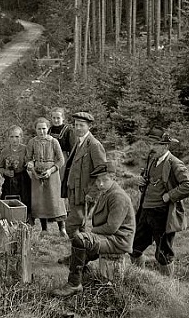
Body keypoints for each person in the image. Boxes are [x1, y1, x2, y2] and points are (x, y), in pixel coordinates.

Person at [51, 161, 136, 297]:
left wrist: (91, 233)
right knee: (82, 242)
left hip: (118, 240)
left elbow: (111, 228)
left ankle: (74, 284)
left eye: (105, 180)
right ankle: (82, 270)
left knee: (80, 239)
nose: (100, 184)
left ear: (114, 179)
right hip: (111, 237)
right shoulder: (107, 192)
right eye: (98, 180)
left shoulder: (118, 196)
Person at [129, 127, 189, 277]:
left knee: (163, 253)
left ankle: (167, 289)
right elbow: (150, 180)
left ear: (165, 146)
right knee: (134, 247)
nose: (152, 147)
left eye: (156, 144)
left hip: (163, 214)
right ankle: (138, 279)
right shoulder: (152, 159)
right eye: (151, 144)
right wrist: (143, 182)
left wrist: (170, 195)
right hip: (145, 210)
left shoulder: (174, 163)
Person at [61, 111, 107, 262]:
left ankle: (89, 253)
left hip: (85, 195)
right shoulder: (79, 142)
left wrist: (92, 194)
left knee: (71, 226)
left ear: (89, 126)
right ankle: (78, 257)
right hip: (74, 192)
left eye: (82, 125)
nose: (78, 128)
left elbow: (102, 175)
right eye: (76, 125)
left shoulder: (94, 145)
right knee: (81, 228)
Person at [25, 118, 67, 236]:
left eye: (44, 128)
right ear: (35, 129)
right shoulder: (32, 142)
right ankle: (44, 229)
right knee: (41, 201)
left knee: (56, 200)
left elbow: (60, 160)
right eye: (39, 129)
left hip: (52, 174)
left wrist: (51, 170)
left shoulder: (53, 141)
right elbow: (28, 158)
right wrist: (31, 166)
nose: (42, 131)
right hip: (37, 175)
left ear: (48, 129)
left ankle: (62, 228)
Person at [0, 126, 31, 220]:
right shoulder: (5, 151)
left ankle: (25, 219)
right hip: (9, 180)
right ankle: (9, 218)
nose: (14, 139)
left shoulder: (25, 149)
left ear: (21, 137)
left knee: (25, 199)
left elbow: (30, 161)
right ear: (8, 138)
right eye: (11, 137)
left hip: (23, 179)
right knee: (8, 199)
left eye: (17, 136)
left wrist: (29, 165)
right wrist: (5, 172)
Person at [49, 108, 76, 174]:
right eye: (54, 118)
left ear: (63, 118)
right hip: (50, 157)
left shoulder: (68, 130)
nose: (56, 120)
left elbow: (72, 149)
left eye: (58, 118)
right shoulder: (49, 129)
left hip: (63, 158)